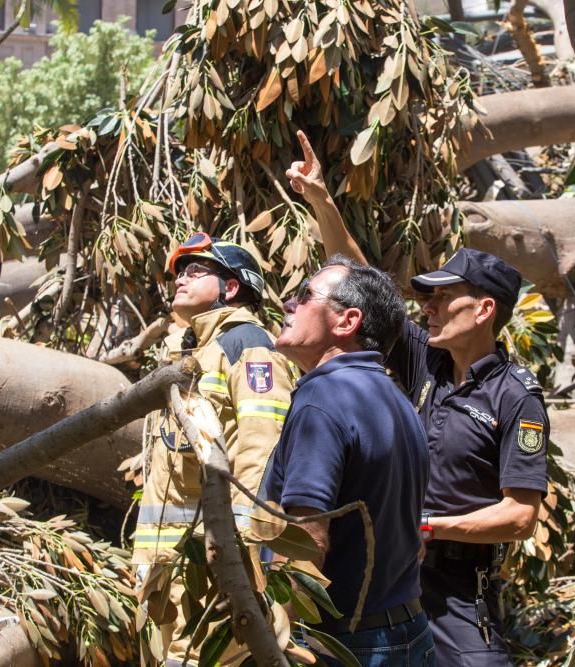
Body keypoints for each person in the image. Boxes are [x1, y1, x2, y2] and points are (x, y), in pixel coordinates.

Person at [286, 130, 550, 667]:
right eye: (426, 298)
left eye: (443, 298)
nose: (427, 308)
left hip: (455, 583)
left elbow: (520, 516)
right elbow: (360, 284)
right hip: (386, 574)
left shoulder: (515, 397)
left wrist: (428, 527)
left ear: (483, 311)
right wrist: (321, 198)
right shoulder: (421, 358)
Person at [262, 256, 435, 666]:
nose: (289, 304)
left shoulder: (322, 398)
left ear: (347, 321)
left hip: (346, 645)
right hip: (409, 631)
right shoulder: (398, 401)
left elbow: (308, 539)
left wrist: (278, 644)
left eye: (305, 296)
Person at [132, 232, 294, 667]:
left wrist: (238, 554)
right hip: (170, 568)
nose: (180, 279)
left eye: (195, 270)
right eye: (178, 273)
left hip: (212, 569)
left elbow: (263, 451)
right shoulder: (193, 353)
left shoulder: (248, 346)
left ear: (233, 287)